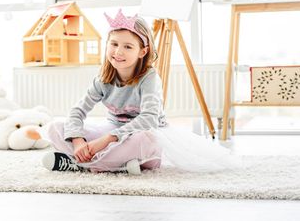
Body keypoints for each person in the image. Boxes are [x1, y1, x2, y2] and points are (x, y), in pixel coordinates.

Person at [42, 9, 239, 174]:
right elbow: (77, 112)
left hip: (140, 135)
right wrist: (78, 142)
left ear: (142, 52)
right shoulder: (103, 78)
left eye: (128, 47)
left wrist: (106, 140)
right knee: (55, 127)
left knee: (146, 140)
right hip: (113, 131)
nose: (118, 52)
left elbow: (149, 119)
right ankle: (109, 164)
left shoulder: (149, 77)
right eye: (114, 44)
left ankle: (80, 164)